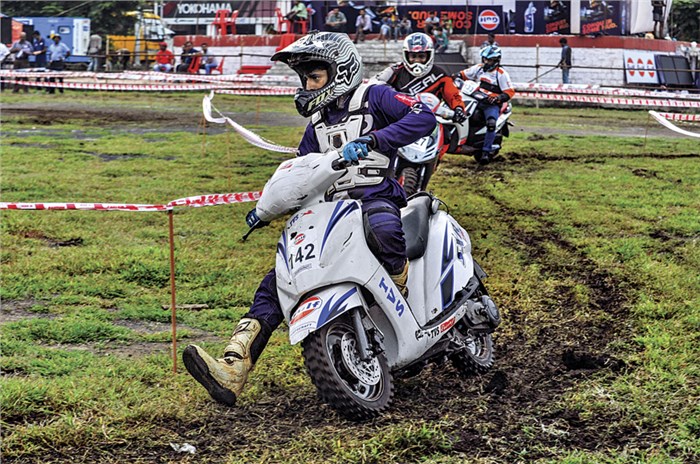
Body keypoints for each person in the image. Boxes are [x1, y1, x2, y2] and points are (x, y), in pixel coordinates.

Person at [181, 31, 437, 407]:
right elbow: (304, 171)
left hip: (377, 196)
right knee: (279, 281)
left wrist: (376, 140)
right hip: (330, 210)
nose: (308, 86)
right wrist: (271, 206)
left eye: (315, 78)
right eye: (305, 79)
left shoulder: (374, 95)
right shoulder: (315, 124)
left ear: (341, 71)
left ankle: (402, 288)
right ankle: (233, 367)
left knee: (382, 228)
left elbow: (423, 117)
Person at [374, 32, 466, 125]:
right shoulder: (395, 70)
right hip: (398, 121)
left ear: (429, 55)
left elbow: (453, 95)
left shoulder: (440, 74)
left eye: (421, 56)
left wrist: (458, 109)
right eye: (413, 56)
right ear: (406, 56)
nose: (417, 61)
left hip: (428, 122)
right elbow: (374, 84)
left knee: (447, 136)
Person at [457, 45, 515, 163]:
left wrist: (498, 98)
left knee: (491, 123)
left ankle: (486, 152)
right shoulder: (478, 68)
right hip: (474, 98)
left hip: (491, 103)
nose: (487, 62)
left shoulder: (501, 74)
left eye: (490, 60)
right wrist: (456, 78)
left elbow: (509, 91)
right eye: (485, 59)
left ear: (497, 60)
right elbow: (462, 75)